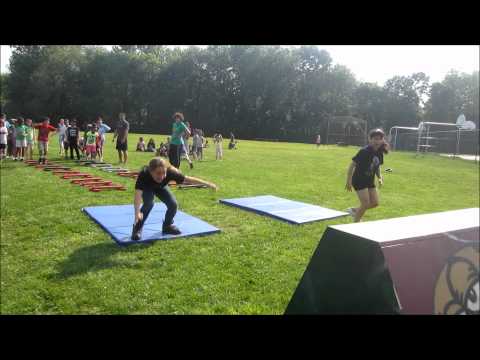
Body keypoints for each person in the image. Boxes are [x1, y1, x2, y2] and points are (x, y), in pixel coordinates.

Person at [131, 157, 217, 240]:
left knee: (173, 204)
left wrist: (208, 184)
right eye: (158, 173)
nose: (161, 176)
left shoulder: (171, 172)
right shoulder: (144, 174)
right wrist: (137, 213)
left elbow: (189, 179)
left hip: (161, 187)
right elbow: (138, 196)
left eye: (163, 173)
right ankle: (137, 227)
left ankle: (167, 226)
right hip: (147, 188)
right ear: (151, 171)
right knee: (149, 204)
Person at [345, 128, 389, 223]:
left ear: (382, 140)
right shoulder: (364, 151)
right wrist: (348, 181)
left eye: (379, 139)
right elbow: (352, 165)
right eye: (375, 139)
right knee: (365, 203)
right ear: (370, 139)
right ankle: (355, 224)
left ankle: (354, 211)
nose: (377, 141)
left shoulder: (379, 153)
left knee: (375, 203)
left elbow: (377, 166)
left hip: (369, 181)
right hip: (359, 180)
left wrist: (380, 177)